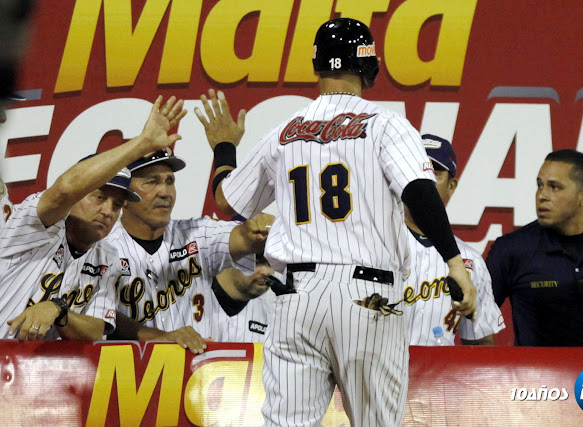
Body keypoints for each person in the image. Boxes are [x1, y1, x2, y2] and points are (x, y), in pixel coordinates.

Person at [197, 17, 476, 426]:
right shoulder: (385, 123)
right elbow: (419, 190)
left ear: (317, 65)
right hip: (367, 294)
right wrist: (453, 261)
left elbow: (227, 200)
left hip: (297, 298)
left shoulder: (284, 132)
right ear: (368, 63)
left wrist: (224, 147)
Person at [0, 95, 184, 340]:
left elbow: (97, 330)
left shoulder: (107, 257)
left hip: (33, 364)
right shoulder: (35, 224)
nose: (108, 211)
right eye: (99, 197)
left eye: (117, 205)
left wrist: (59, 310)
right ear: (78, 197)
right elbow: (66, 188)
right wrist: (142, 143)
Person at [105, 147, 275, 353]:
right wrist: (159, 337)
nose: (165, 192)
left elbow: (245, 237)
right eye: (152, 182)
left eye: (170, 181)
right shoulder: (104, 248)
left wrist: (257, 228)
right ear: (124, 195)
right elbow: (95, 314)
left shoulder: (197, 234)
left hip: (196, 369)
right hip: (125, 370)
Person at [487, 149, 583, 347]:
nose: (542, 195)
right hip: (538, 368)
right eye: (540, 185)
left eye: (555, 187)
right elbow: (475, 323)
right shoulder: (510, 249)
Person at [404, 134, 504, 346]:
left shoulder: (470, 261)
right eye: (416, 169)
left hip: (437, 368)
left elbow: (481, 342)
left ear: (451, 186)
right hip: (375, 366)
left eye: (434, 172)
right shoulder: (373, 246)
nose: (425, 179)